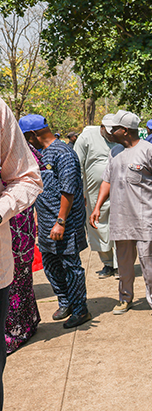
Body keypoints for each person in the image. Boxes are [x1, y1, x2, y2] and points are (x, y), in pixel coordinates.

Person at [90, 110, 152, 322]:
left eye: (113, 129)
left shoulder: (150, 151)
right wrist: (98, 206)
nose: (109, 132)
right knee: (124, 263)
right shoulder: (115, 152)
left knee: (148, 262)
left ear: (125, 131)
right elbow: (106, 181)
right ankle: (125, 298)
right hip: (120, 217)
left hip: (144, 217)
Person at [20, 114, 90, 329]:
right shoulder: (40, 155)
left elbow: (68, 191)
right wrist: (39, 217)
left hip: (65, 221)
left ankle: (80, 310)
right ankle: (65, 301)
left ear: (32, 134)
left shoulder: (63, 153)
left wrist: (60, 221)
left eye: (24, 137)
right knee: (50, 264)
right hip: (47, 220)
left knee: (71, 265)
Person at [0, 98, 43, 408]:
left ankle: (22, 327)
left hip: (16, 244)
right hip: (19, 240)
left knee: (23, 287)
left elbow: (28, 180)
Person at [5, 142, 43, 354]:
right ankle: (29, 323)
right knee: (19, 280)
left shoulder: (15, 146)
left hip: (16, 223)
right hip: (16, 223)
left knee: (17, 280)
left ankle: (16, 332)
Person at [74, 114, 120, 279]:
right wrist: (80, 192)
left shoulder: (120, 135)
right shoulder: (86, 136)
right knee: (97, 225)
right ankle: (108, 264)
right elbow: (77, 164)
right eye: (108, 131)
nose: (110, 134)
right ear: (101, 127)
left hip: (119, 189)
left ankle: (121, 264)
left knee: (119, 224)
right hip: (93, 191)